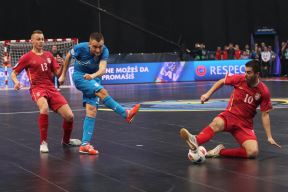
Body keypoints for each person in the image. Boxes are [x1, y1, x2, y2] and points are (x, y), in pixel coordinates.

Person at [59, 32, 140, 155]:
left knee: (91, 110)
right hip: (80, 77)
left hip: (93, 77)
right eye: (95, 47)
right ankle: (126, 114)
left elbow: (102, 70)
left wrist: (92, 76)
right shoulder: (80, 47)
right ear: (89, 44)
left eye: (100, 46)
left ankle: (85, 145)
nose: (98, 50)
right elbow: (68, 57)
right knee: (102, 92)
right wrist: (63, 75)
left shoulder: (104, 50)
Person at [180, 60, 281, 159]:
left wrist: (269, 137)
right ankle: (195, 140)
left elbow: (265, 114)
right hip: (230, 116)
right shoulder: (240, 79)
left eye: (249, 72)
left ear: (257, 74)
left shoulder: (263, 91)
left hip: (245, 124)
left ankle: (220, 151)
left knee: (252, 152)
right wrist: (208, 94)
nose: (245, 74)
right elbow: (222, 81)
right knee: (216, 123)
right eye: (245, 71)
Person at [11, 30, 81, 153]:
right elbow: (14, 73)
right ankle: (43, 142)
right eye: (38, 39)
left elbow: (58, 74)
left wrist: (64, 64)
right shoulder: (26, 57)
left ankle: (66, 141)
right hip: (37, 88)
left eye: (42, 39)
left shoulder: (49, 55)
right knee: (43, 108)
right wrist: (16, 82)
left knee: (70, 116)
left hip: (51, 88)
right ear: (32, 41)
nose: (41, 41)